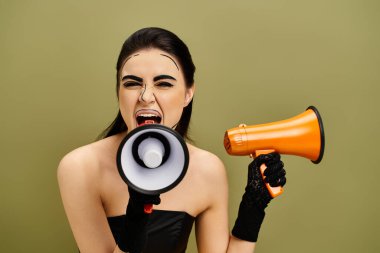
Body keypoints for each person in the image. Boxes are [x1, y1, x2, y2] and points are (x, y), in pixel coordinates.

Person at [57, 27, 286, 253]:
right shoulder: (81, 168)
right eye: (131, 83)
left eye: (163, 83)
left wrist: (253, 209)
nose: (145, 96)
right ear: (119, 93)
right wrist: (137, 213)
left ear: (188, 94)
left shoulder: (207, 169)